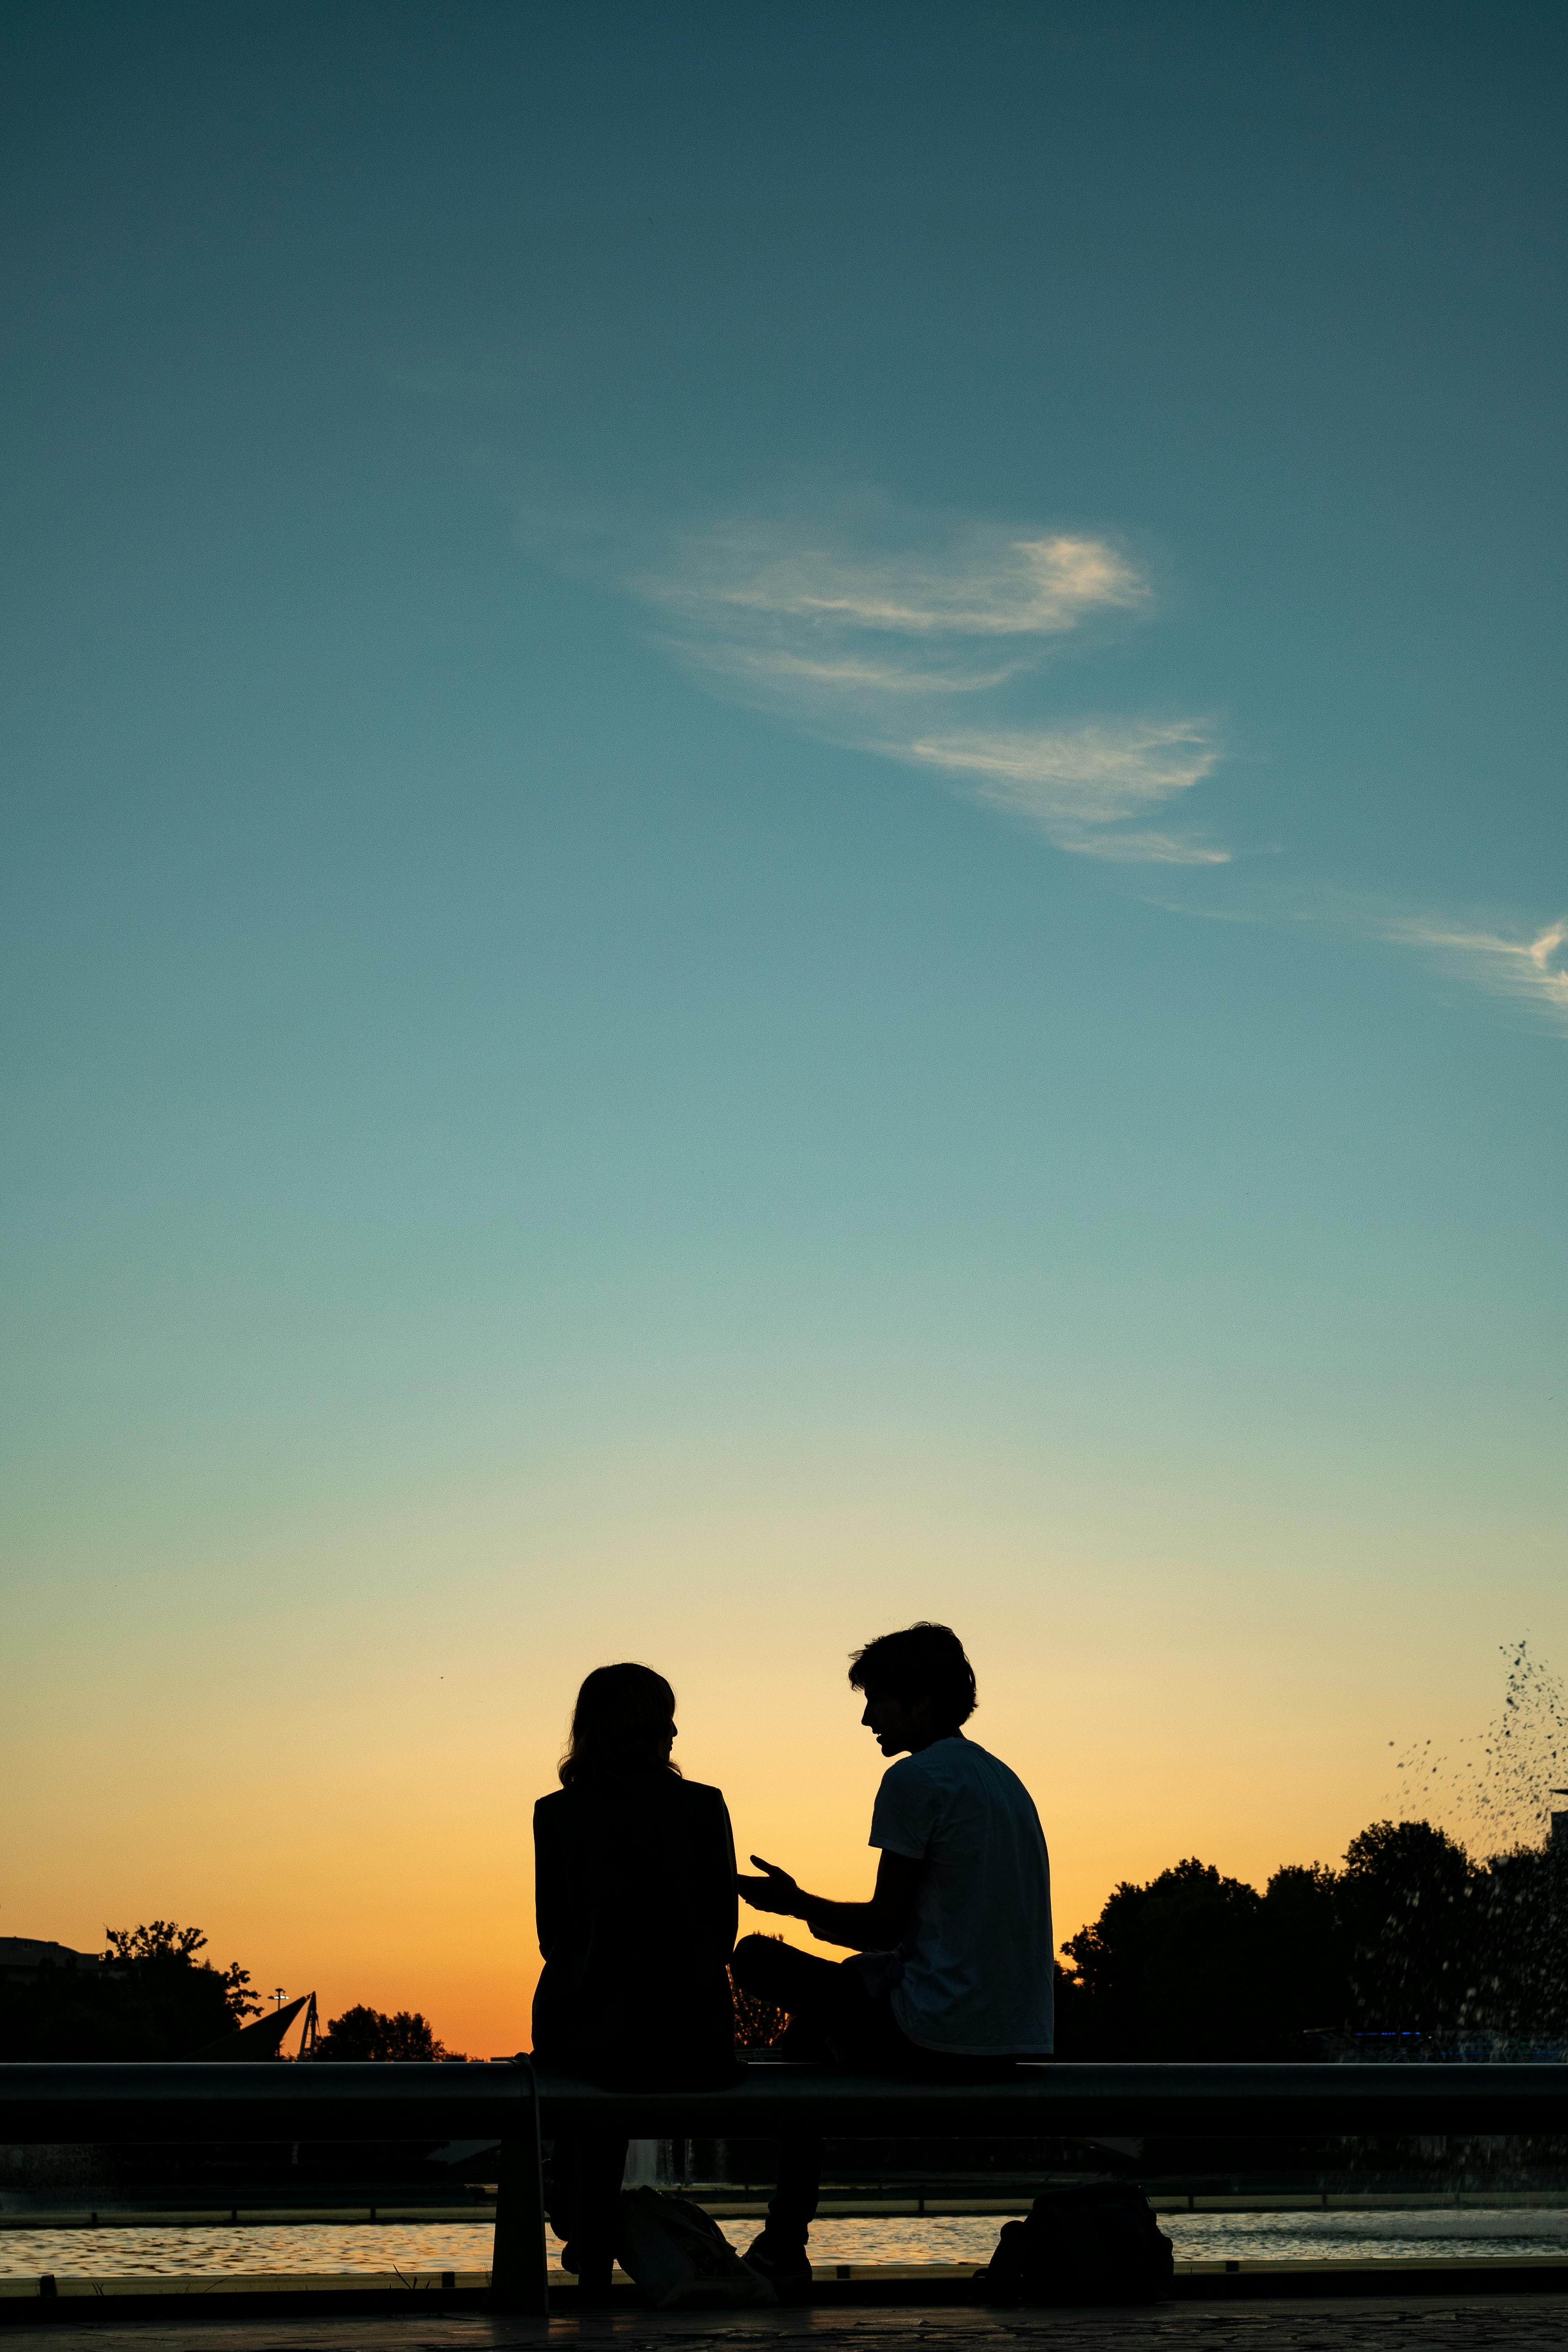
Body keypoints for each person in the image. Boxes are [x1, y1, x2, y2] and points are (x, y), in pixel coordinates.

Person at [731, 1622, 1053, 2288]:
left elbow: (880, 1926)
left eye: (878, 1699)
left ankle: (784, 2241)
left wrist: (795, 1905)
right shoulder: (1003, 1781)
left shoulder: (916, 1780)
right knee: (813, 2031)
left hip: (938, 2032)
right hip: (1014, 2033)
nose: (866, 1717)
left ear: (921, 1701)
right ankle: (782, 2240)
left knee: (757, 1961)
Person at [533, 1662, 740, 2296]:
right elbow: (720, 1934)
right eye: (667, 1717)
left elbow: (554, 1939)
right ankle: (594, 2237)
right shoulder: (703, 1807)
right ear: (650, 1727)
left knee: (592, 2065)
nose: (677, 1730)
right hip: (693, 2038)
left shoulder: (556, 1814)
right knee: (624, 2043)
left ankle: (587, 2239)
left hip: (592, 2036)